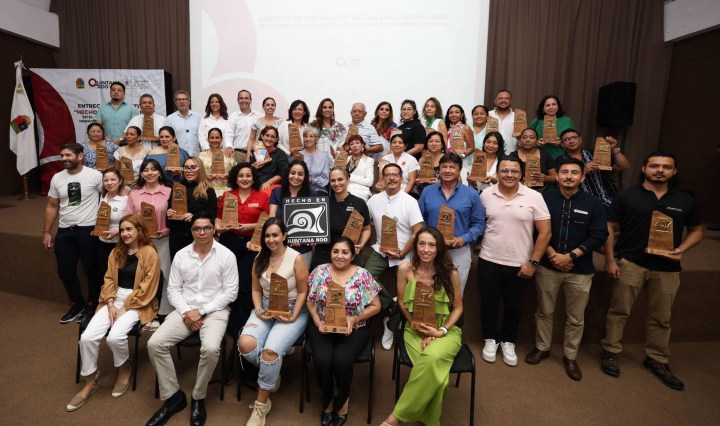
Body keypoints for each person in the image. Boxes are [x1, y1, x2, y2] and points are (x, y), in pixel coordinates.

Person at [600, 151, 702, 390]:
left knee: (661, 317)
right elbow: (609, 227)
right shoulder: (626, 196)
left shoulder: (685, 199)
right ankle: (611, 351)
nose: (660, 170)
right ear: (644, 169)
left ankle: (657, 359)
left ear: (674, 171)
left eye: (666, 167)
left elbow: (696, 230)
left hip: (667, 267)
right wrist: (610, 260)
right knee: (619, 310)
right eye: (655, 166)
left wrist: (682, 248)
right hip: (631, 262)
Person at [146, 212, 238, 426]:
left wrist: (202, 310)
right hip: (185, 309)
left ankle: (198, 396)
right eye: (197, 228)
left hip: (215, 310)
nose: (202, 232)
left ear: (213, 230)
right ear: (192, 231)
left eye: (207, 228)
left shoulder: (226, 255)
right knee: (154, 344)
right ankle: (174, 397)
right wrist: (188, 312)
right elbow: (173, 289)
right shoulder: (181, 255)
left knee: (211, 348)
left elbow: (230, 292)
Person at [525, 158, 608, 381]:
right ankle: (542, 347)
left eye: (574, 173)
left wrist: (570, 256)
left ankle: (570, 356)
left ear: (582, 177)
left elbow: (599, 235)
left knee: (576, 317)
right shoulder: (543, 199)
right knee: (544, 311)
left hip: (580, 269)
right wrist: (553, 255)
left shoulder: (594, 203)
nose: (569, 176)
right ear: (557, 176)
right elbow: (535, 230)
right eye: (564, 172)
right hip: (548, 266)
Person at [67, 214, 160, 412]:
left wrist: (124, 307)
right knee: (87, 338)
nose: (125, 233)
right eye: (122, 229)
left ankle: (125, 367)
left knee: (115, 337)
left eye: (129, 229)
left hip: (138, 301)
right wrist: (110, 304)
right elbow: (109, 279)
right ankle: (91, 380)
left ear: (139, 230)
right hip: (113, 299)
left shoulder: (150, 253)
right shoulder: (116, 252)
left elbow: (148, 287)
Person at [380, 226, 463, 426]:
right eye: (422, 244)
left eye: (431, 245)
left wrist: (440, 331)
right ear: (415, 246)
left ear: (439, 248)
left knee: (432, 359)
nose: (426, 249)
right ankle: (431, 421)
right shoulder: (404, 269)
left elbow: (458, 308)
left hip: (445, 331)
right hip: (414, 329)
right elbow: (402, 303)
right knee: (439, 377)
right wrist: (419, 327)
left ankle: (395, 418)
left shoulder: (450, 273)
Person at [478, 156, 551, 366]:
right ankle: (490, 339)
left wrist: (533, 263)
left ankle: (508, 341)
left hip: (520, 263)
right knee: (488, 303)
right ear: (497, 173)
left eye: (514, 171)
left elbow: (545, 233)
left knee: (514, 306)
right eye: (504, 171)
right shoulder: (486, 195)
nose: (509, 175)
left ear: (521, 174)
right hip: (489, 259)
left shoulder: (534, 196)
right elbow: (480, 223)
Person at [238, 218, 309, 426]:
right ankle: (272, 369)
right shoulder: (260, 257)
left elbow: (303, 291)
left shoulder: (296, 258)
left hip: (293, 307)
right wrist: (259, 309)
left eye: (276, 235)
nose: (271, 239)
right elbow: (255, 289)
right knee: (245, 344)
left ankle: (261, 406)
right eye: (267, 235)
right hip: (266, 306)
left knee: (269, 352)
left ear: (284, 236)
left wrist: (294, 315)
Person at [306, 236, 382, 426]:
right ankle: (328, 401)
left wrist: (354, 318)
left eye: (345, 252)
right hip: (323, 325)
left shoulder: (363, 275)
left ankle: (342, 401)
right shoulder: (319, 271)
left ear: (353, 255)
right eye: (336, 251)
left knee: (341, 361)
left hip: (354, 328)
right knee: (323, 360)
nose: (339, 256)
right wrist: (317, 322)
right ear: (330, 253)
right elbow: (310, 301)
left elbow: (376, 306)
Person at [365, 163, 424, 350]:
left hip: (404, 251)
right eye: (387, 175)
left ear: (401, 178)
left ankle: (390, 325)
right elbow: (363, 223)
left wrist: (403, 252)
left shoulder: (410, 201)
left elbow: (418, 231)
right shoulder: (374, 200)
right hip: (380, 250)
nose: (391, 178)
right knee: (364, 278)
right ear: (382, 179)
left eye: (395, 175)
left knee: (410, 290)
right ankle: (390, 306)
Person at [43, 143, 103, 323]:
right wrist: (47, 231)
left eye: (68, 155)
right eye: (62, 155)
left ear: (80, 156)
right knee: (65, 271)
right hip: (65, 231)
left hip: (89, 230)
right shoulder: (57, 178)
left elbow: (108, 197)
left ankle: (92, 305)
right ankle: (77, 304)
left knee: (91, 271)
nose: (64, 159)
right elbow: (52, 206)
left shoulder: (95, 175)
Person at [418, 152, 485, 293]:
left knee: (455, 295)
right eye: (444, 167)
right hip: (431, 251)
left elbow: (479, 224)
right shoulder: (427, 192)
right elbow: (420, 220)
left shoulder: (471, 194)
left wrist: (463, 239)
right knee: (429, 294)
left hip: (459, 251)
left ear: (459, 171)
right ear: (439, 170)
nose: (447, 170)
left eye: (452, 167)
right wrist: (427, 240)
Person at [216, 163, 270, 331]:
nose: (244, 179)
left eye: (248, 175)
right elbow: (218, 218)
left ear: (253, 178)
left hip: (252, 244)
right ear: (235, 178)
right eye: (241, 175)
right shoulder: (227, 196)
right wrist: (218, 226)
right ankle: (226, 326)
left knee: (245, 285)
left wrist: (249, 227)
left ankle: (243, 327)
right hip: (229, 242)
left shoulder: (262, 197)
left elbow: (267, 222)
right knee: (226, 284)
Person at [125, 158, 173, 318]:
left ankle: (164, 312)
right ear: (141, 174)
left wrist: (165, 230)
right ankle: (142, 312)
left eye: (153, 169)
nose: (149, 173)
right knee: (143, 276)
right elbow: (128, 218)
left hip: (164, 241)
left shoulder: (169, 191)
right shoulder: (134, 194)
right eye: (145, 170)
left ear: (160, 172)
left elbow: (176, 217)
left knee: (166, 276)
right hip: (141, 243)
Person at [311, 167, 371, 269]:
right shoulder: (322, 203)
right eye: (333, 180)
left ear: (348, 180)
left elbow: (366, 229)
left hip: (349, 255)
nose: (336, 183)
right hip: (324, 255)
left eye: (340, 179)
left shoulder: (359, 203)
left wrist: (360, 245)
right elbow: (313, 229)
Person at [556, 128, 630, 208]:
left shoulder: (596, 152)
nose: (571, 141)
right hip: (581, 204)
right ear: (562, 144)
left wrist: (614, 148)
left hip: (608, 199)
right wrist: (582, 172)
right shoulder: (559, 161)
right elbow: (560, 186)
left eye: (574, 138)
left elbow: (624, 166)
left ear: (580, 140)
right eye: (567, 139)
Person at [167, 156, 218, 260]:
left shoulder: (208, 191)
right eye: (186, 167)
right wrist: (169, 214)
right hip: (177, 238)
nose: (189, 171)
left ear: (200, 169)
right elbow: (169, 222)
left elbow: (212, 217)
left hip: (198, 238)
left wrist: (194, 217)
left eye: (193, 167)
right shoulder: (176, 188)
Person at [269, 159, 316, 266]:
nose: (296, 177)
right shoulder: (276, 192)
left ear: (305, 176)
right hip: (279, 246)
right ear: (287, 174)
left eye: (300, 174)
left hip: (303, 248)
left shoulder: (312, 194)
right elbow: (272, 219)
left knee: (302, 276)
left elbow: (314, 224)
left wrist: (305, 238)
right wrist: (289, 237)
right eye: (293, 173)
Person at [96, 169, 128, 286]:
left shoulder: (126, 198)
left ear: (120, 181)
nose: (109, 183)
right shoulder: (102, 197)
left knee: (120, 275)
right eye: (106, 180)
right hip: (102, 242)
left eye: (113, 179)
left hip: (120, 243)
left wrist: (117, 232)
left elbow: (131, 222)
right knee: (105, 275)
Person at [529, 95, 576, 159]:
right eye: (548, 105)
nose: (551, 107)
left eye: (554, 104)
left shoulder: (567, 121)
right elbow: (528, 140)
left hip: (562, 157)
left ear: (558, 106)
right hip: (540, 157)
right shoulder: (536, 122)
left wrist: (561, 143)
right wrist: (537, 143)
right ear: (543, 109)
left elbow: (574, 140)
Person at [250, 126, 289, 195]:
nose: (269, 139)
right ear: (262, 136)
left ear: (276, 139)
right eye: (267, 135)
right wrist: (252, 167)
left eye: (272, 137)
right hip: (255, 185)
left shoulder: (280, 154)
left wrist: (269, 182)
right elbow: (248, 172)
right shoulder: (256, 152)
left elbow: (282, 174)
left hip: (271, 186)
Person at [198, 128, 236, 198]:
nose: (214, 140)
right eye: (212, 138)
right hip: (207, 190)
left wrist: (227, 176)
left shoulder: (228, 154)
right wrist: (205, 177)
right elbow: (198, 174)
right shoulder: (201, 155)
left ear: (222, 139)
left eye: (217, 138)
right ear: (208, 139)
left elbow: (235, 173)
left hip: (226, 190)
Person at [225, 89, 260, 163]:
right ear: (238, 100)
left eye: (246, 98)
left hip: (258, 153)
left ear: (250, 100)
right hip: (239, 154)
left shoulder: (259, 116)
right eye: (241, 98)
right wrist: (229, 146)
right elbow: (229, 133)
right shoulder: (233, 116)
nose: (244, 100)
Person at [165, 90, 202, 157]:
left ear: (189, 101)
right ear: (175, 102)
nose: (181, 102)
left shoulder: (199, 117)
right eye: (178, 100)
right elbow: (168, 139)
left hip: (197, 155)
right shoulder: (170, 119)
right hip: (179, 156)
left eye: (184, 99)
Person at [444, 104, 476, 182]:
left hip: (461, 161)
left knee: (461, 184)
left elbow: (471, 147)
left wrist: (462, 155)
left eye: (457, 112)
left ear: (461, 114)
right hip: (446, 161)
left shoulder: (465, 128)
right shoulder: (445, 128)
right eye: (451, 112)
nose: (453, 114)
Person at [300, 127, 332, 195]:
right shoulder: (298, 155)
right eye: (305, 136)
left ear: (316, 139)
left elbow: (325, 178)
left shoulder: (324, 156)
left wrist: (313, 180)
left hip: (319, 190)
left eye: (311, 136)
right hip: (301, 189)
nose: (308, 139)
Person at [413, 131, 445, 196]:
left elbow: (458, 181)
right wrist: (418, 182)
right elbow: (418, 178)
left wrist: (440, 182)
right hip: (424, 194)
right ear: (427, 144)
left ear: (442, 145)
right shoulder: (422, 159)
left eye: (437, 141)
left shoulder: (447, 159)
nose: (434, 144)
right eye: (430, 141)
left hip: (442, 193)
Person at [345, 134, 375, 201]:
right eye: (352, 144)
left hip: (361, 192)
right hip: (344, 190)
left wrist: (349, 177)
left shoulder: (369, 160)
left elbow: (369, 182)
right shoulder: (346, 159)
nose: (355, 146)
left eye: (357, 143)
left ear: (362, 145)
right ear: (349, 147)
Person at [489, 89, 518, 154]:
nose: (503, 100)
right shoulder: (488, 115)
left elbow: (522, 137)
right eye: (500, 98)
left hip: (510, 154)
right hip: (490, 155)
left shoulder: (517, 117)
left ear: (511, 101)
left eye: (507, 98)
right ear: (495, 101)